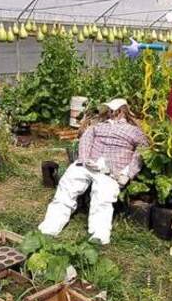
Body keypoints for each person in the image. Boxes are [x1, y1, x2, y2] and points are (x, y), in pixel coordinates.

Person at [38, 99, 149, 245]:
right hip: (89, 163)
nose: (112, 113)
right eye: (109, 110)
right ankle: (50, 226)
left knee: (103, 195)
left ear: (123, 111)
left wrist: (128, 173)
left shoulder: (134, 131)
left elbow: (142, 150)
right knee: (68, 184)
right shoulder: (98, 126)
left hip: (112, 170)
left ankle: (98, 235)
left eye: (115, 110)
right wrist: (83, 159)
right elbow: (85, 140)